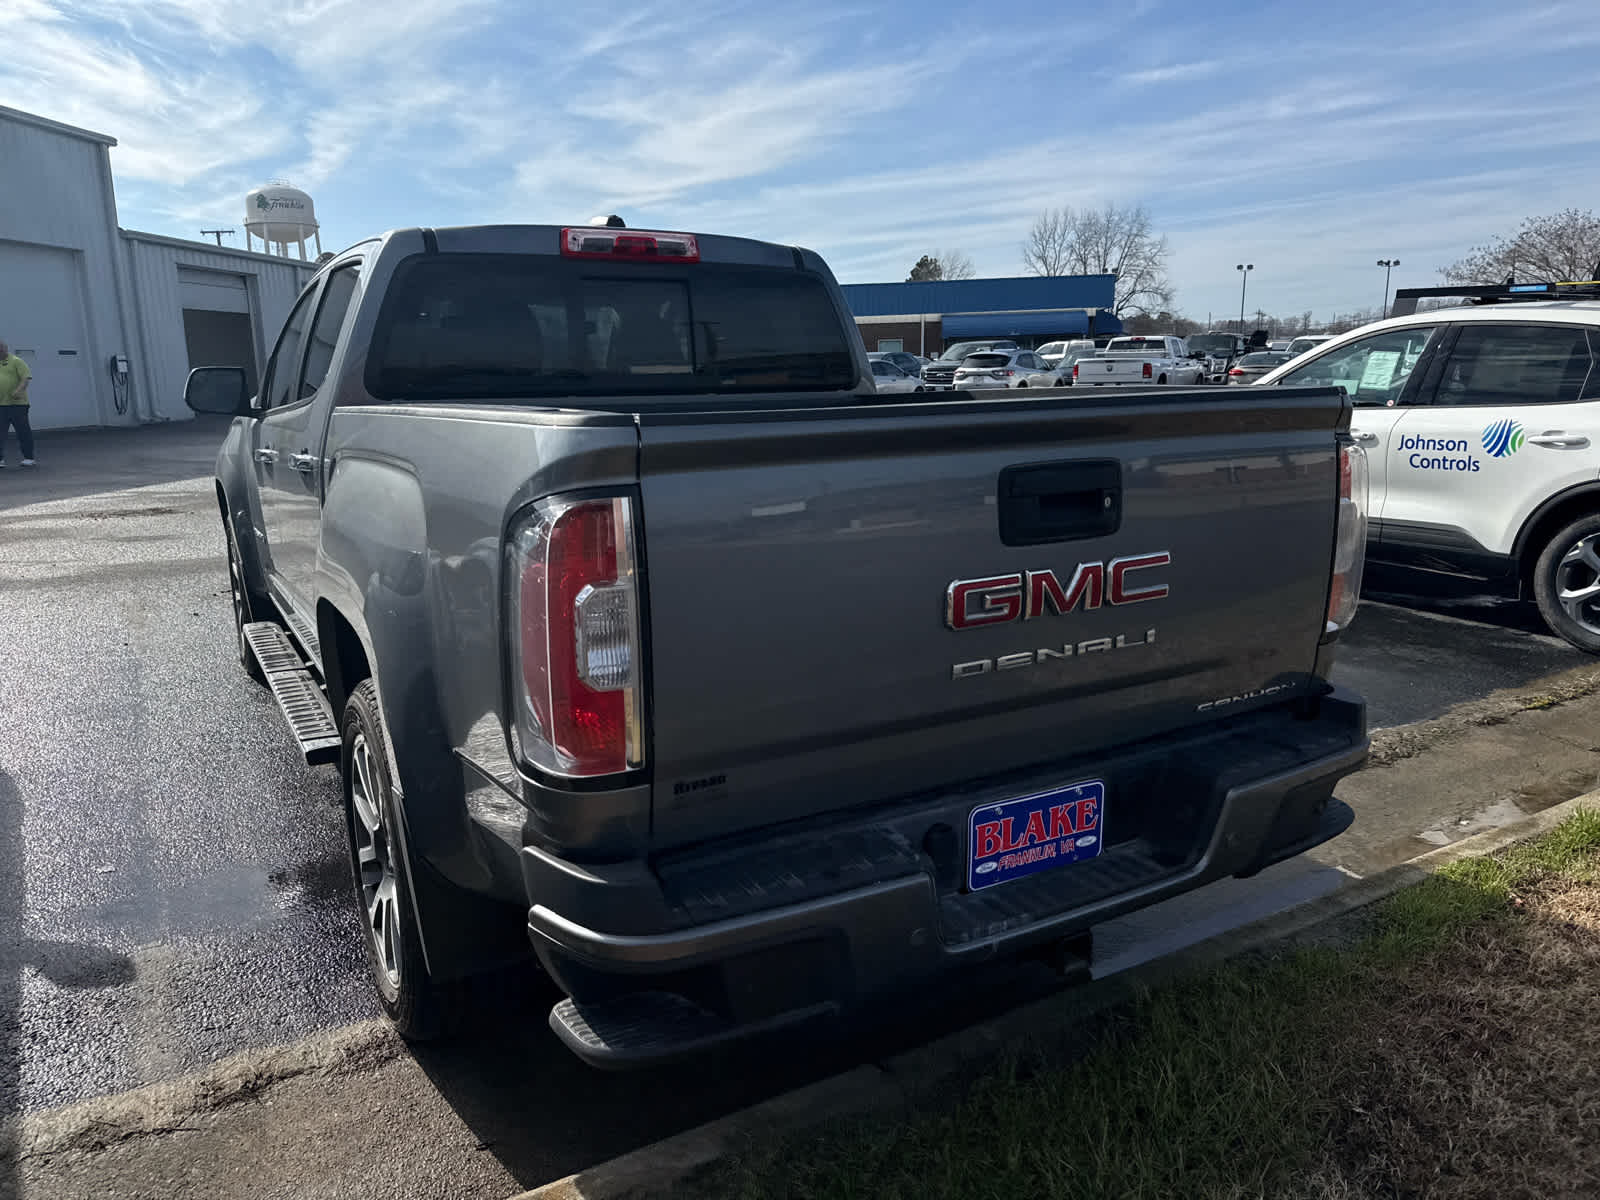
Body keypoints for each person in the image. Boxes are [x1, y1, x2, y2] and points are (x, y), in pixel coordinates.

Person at [0, 338, 34, 467]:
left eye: (1, 348)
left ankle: (29, 458)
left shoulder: (16, 361)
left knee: (23, 431)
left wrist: (18, 391)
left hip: (18, 405)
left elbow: (25, 378)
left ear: (5, 349)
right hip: (1, 405)